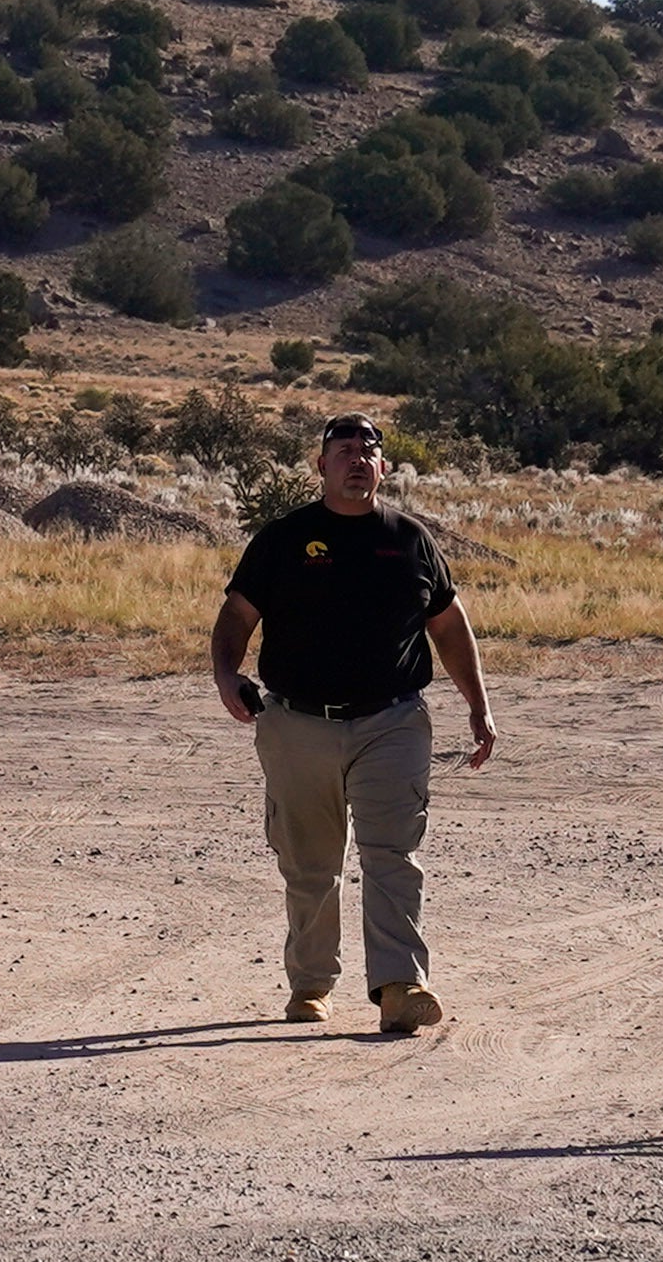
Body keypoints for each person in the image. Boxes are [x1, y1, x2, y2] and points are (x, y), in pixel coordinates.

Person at [209, 410, 496, 1033]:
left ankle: (400, 985)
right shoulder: (284, 538)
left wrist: (478, 705)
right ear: (321, 466)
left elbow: (448, 625)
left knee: (391, 854)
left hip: (391, 721)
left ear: (383, 468)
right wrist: (226, 674)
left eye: (368, 450)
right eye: (343, 450)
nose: (356, 459)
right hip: (297, 724)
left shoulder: (411, 539)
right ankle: (311, 984)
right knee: (310, 863)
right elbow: (236, 617)